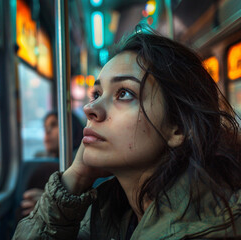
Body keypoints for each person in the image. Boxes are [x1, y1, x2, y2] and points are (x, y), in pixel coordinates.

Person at [13, 26, 241, 239]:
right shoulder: (112, 211)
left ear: (178, 128)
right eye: (97, 94)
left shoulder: (208, 230)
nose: (90, 109)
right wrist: (77, 176)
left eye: (124, 94)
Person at [19, 111, 84, 217]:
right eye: (45, 127)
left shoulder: (80, 163)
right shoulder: (39, 159)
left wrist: (49, 203)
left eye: (54, 125)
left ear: (71, 128)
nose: (47, 131)